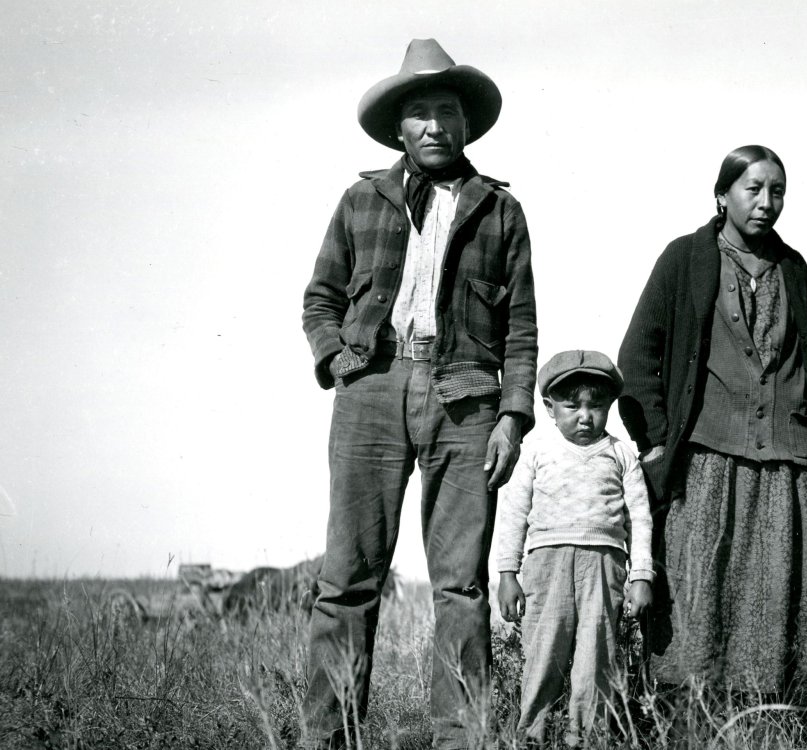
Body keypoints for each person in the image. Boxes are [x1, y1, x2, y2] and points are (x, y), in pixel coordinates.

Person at [300, 38, 537, 750]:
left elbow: (520, 327)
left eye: (447, 112)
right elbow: (319, 300)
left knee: (460, 587)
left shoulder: (500, 211)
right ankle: (328, 739)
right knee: (347, 579)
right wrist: (337, 357)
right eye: (421, 114)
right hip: (371, 390)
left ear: (465, 125)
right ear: (399, 128)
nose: (435, 126)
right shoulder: (359, 200)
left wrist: (512, 417)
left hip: (466, 400)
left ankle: (460, 739)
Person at [617, 145, 807, 701]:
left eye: (777, 191)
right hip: (705, 461)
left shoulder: (794, 269)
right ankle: (692, 716)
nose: (766, 202)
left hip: (786, 465)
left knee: (777, 590)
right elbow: (637, 359)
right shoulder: (686, 259)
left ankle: (778, 714)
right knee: (700, 591)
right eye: (753, 189)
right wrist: (658, 445)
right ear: (722, 195)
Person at [494, 350, 654, 746]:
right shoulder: (535, 451)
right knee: (543, 651)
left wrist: (641, 576)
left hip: (605, 565)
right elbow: (514, 513)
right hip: (547, 566)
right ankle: (530, 735)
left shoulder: (621, 455)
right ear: (549, 407)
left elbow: (639, 518)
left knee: (595, 657)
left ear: (609, 406)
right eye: (571, 406)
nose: (585, 416)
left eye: (596, 405)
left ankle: (584, 737)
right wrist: (507, 574)